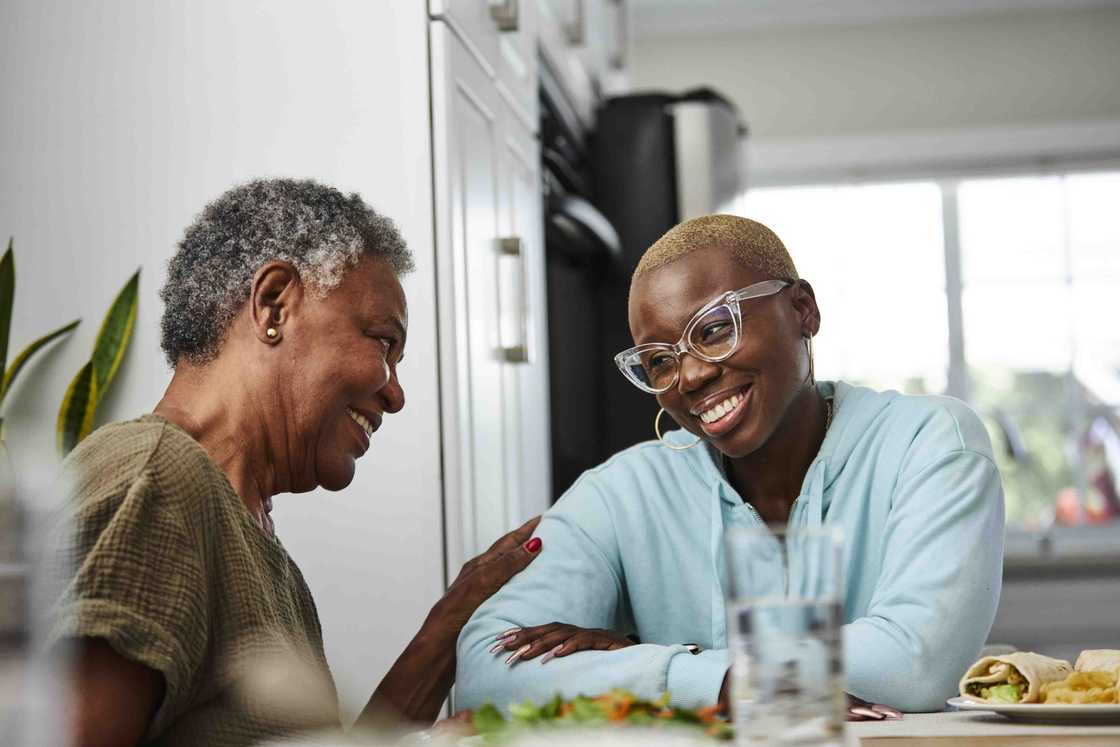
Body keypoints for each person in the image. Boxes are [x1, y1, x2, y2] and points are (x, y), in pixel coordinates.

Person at [47, 178, 578, 747]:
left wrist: (457, 614)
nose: (396, 394)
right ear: (274, 303)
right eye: (381, 342)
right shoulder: (155, 476)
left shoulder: (251, 538)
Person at [457, 214, 1005, 716]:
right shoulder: (619, 496)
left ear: (803, 309)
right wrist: (716, 683)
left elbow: (912, 665)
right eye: (659, 361)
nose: (690, 377)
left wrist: (654, 667)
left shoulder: (930, 443)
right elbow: (485, 674)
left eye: (715, 329)